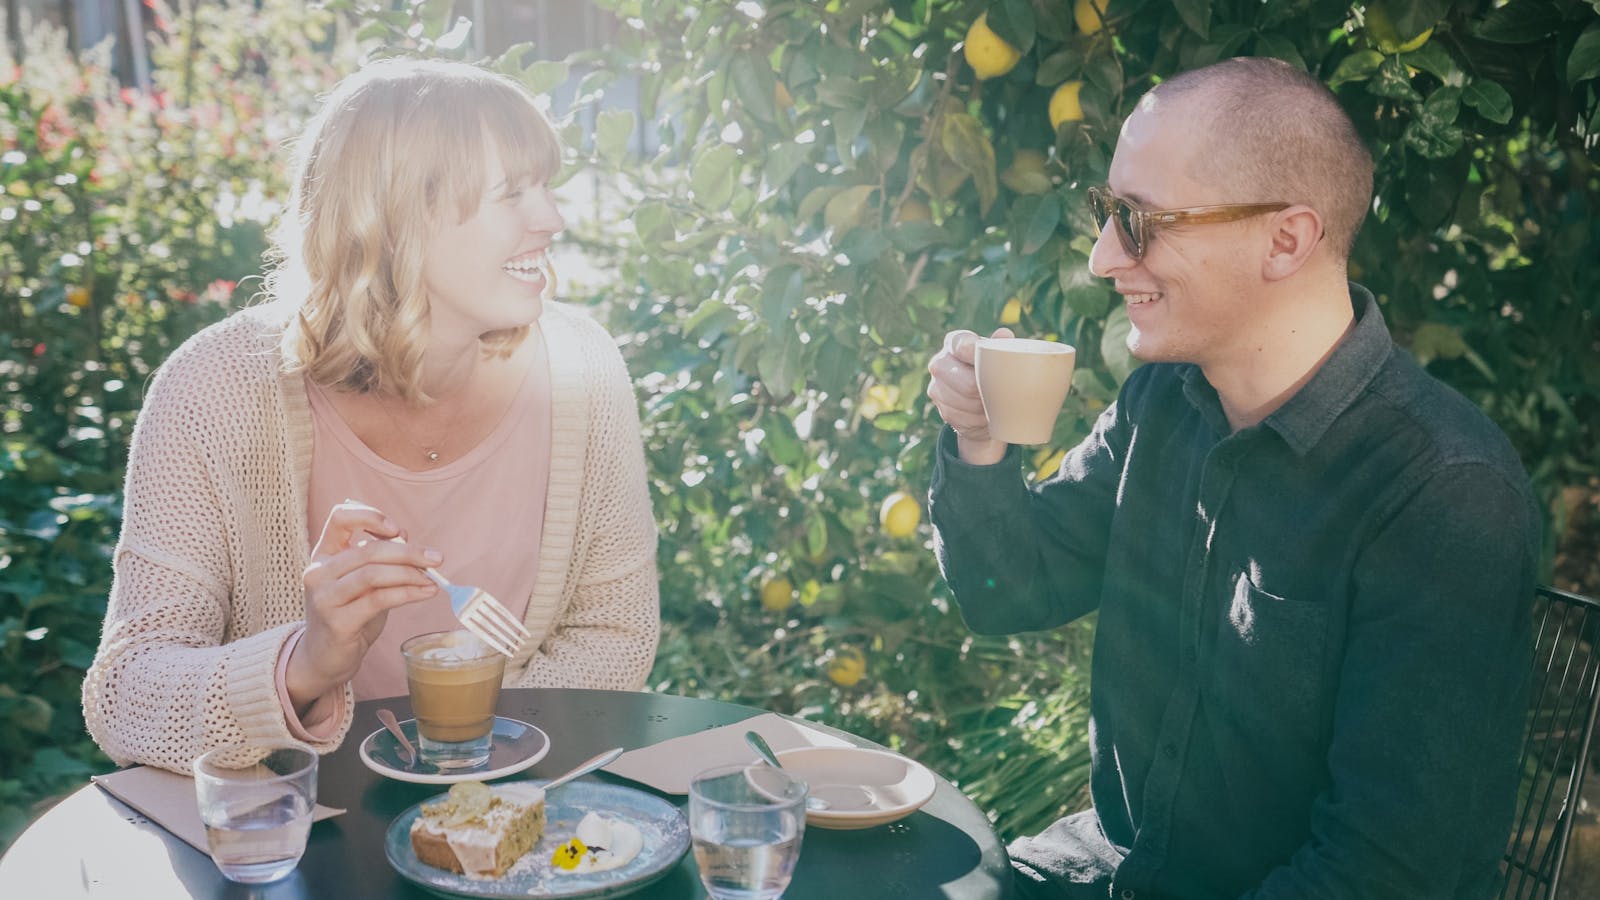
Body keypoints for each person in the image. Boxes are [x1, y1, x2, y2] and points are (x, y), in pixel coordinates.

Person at [925, 57, 1538, 899]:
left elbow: (1387, 872)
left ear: (1286, 239)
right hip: (1100, 871)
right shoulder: (1163, 403)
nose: (1104, 257)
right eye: (1107, 214)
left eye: (1139, 220)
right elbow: (1010, 589)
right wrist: (978, 443)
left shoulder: (1443, 490)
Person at [82, 58, 660, 773]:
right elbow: (128, 693)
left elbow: (614, 634)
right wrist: (305, 662)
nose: (552, 218)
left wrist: (459, 761)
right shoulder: (215, 390)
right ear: (396, 217)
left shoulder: (584, 370)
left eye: (544, 186)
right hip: (296, 845)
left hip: (512, 813)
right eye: (513, 193)